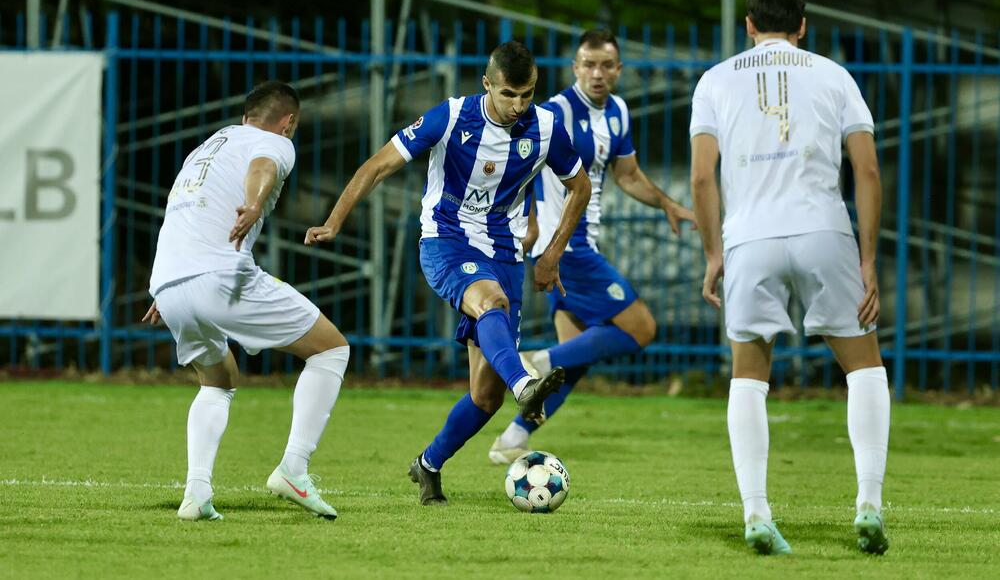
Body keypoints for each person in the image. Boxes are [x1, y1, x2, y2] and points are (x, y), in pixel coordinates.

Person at [305, 41, 591, 505]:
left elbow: (579, 187)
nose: (519, 105)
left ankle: (428, 464)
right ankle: (526, 385)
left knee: (484, 397)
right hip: (446, 241)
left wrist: (552, 254)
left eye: (529, 94)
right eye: (509, 94)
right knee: (490, 301)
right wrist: (334, 220)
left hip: (503, 254)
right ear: (487, 85)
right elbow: (379, 165)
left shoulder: (546, 128)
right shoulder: (451, 117)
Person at [689, 0, 889, 555]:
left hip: (750, 238)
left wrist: (712, 254)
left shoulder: (715, 81)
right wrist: (868, 259)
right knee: (864, 368)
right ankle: (869, 503)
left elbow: (702, 176)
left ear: (748, 25)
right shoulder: (834, 75)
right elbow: (868, 171)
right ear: (803, 25)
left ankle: (756, 513)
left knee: (749, 376)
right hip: (824, 230)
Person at [143, 81, 348, 521]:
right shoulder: (274, 142)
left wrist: (169, 287)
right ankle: (294, 468)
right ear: (288, 121)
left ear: (245, 115)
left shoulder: (205, 149)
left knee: (218, 380)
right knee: (331, 349)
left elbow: (182, 212)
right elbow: (263, 167)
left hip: (169, 282)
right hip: (219, 276)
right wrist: (254, 205)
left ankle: (196, 493)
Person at [488, 29, 695, 464]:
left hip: (582, 240)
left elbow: (629, 175)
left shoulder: (618, 111)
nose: (597, 74)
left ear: (619, 70)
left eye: (606, 65)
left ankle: (511, 440)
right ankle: (535, 361)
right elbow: (519, 163)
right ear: (574, 68)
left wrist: (667, 204)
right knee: (641, 327)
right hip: (563, 242)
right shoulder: (555, 111)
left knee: (573, 363)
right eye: (588, 64)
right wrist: (527, 223)